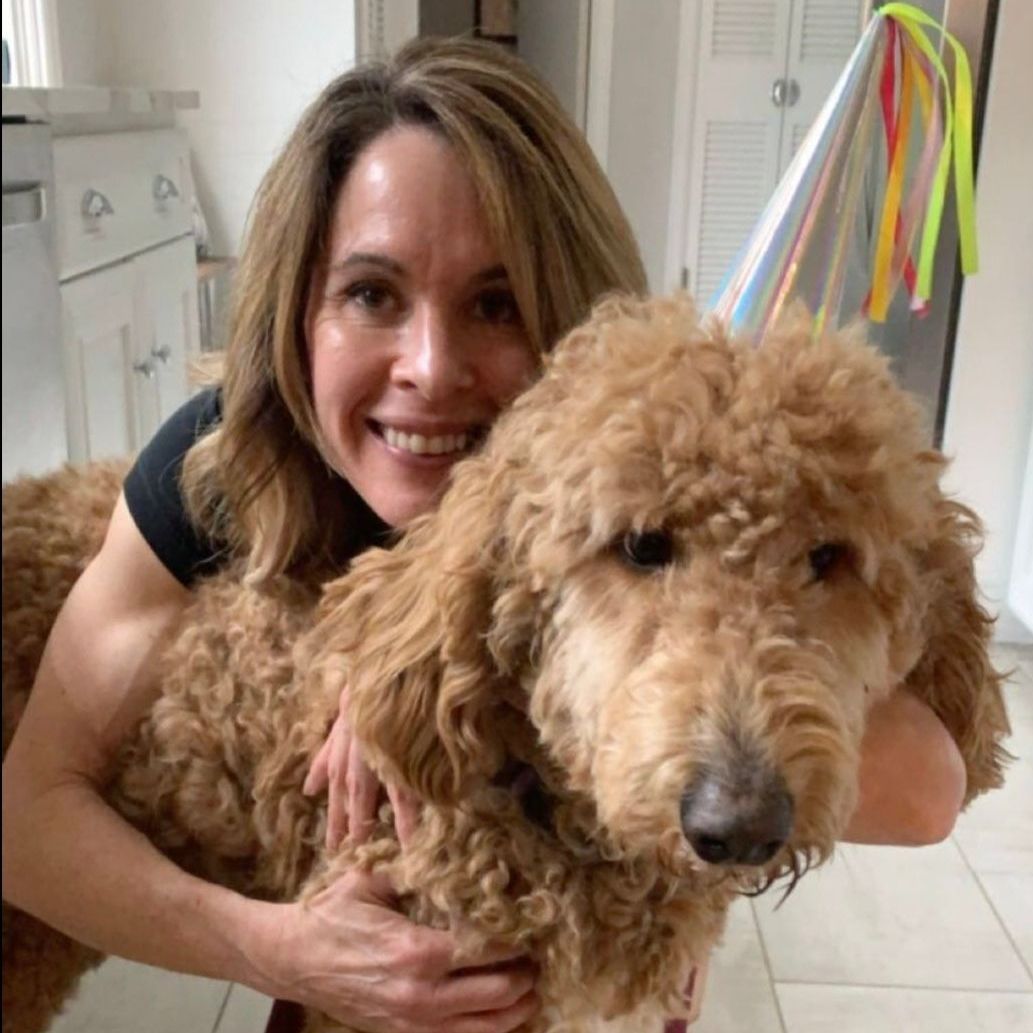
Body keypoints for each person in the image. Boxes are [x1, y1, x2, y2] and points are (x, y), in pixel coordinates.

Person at [1, 37, 967, 1033]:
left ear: (569, 317)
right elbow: (26, 821)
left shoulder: (625, 455)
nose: (430, 364)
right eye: (371, 293)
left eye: (495, 302)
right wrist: (275, 944)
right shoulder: (211, 468)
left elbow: (924, 788)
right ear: (298, 313)